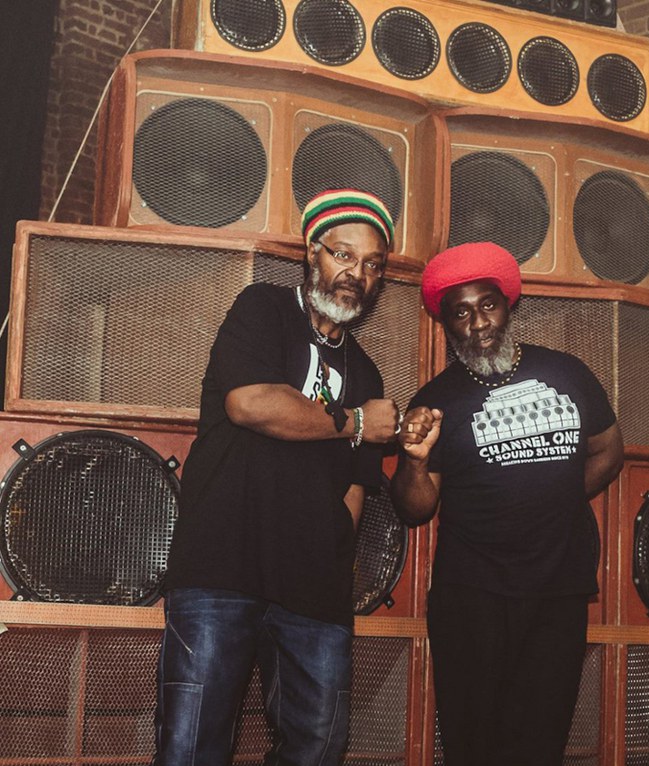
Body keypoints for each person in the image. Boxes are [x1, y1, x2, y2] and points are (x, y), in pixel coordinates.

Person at [153, 189, 401, 766]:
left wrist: (330, 554)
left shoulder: (366, 372)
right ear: (312, 253)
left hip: (313, 593)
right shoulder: (262, 308)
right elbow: (250, 403)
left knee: (318, 749)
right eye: (344, 255)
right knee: (191, 747)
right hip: (222, 567)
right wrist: (358, 421)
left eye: (372, 265)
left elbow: (357, 486)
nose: (357, 275)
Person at [390, 241, 624, 766]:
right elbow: (415, 509)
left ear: (507, 305)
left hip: (558, 589)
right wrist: (414, 461)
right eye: (461, 312)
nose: (478, 323)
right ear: (446, 324)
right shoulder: (436, 401)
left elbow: (609, 450)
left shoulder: (567, 372)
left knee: (541, 743)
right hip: (472, 596)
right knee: (474, 744)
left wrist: (555, 499)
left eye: (488, 305)